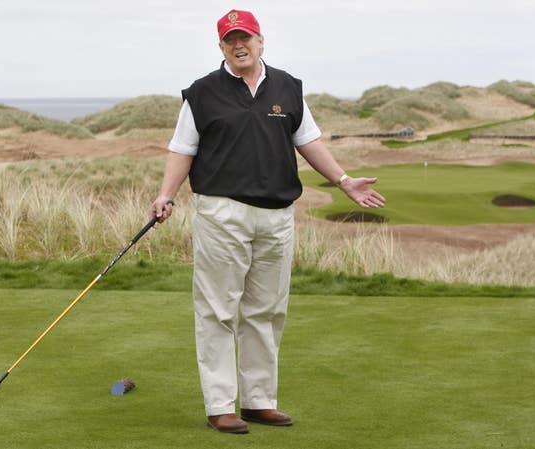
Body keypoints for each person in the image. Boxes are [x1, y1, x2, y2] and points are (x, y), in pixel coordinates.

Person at [150, 9, 385, 434]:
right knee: (218, 312)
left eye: (246, 37)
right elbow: (182, 148)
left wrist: (345, 180)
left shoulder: (288, 87)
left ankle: (259, 401)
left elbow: (308, 140)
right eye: (230, 39)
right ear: (220, 46)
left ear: (261, 41)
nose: (239, 45)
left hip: (277, 215)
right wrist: (166, 194)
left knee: (266, 310)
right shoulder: (202, 93)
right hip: (222, 213)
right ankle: (221, 405)